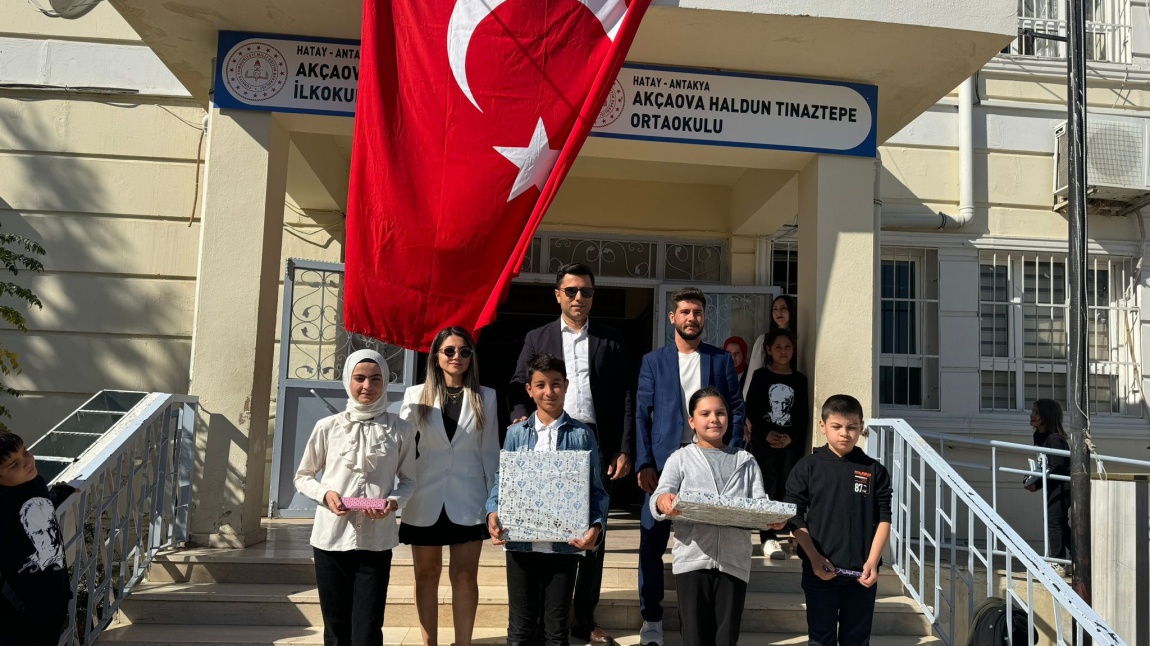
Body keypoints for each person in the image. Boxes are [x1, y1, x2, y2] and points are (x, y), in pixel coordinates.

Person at [507, 263, 634, 645]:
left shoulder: (611, 339)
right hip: (547, 437)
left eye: (587, 292)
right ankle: (544, 616)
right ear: (558, 295)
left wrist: (623, 448)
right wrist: (519, 421)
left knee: (593, 530)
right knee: (546, 528)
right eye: (572, 291)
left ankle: (585, 619)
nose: (580, 298)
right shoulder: (538, 336)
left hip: (592, 439)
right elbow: (518, 383)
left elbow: (626, 395)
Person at [634, 286, 745, 646]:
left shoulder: (720, 360)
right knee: (653, 538)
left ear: (703, 318)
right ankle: (652, 617)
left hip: (710, 460)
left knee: (708, 541)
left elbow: (737, 409)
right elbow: (641, 414)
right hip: (666, 462)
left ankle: (704, 624)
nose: (691, 318)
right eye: (684, 312)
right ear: (672, 318)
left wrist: (732, 452)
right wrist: (645, 461)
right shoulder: (654, 361)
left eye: (697, 312)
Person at [295, 350, 416, 646]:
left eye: (376, 379)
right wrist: (326, 494)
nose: (367, 386)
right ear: (347, 381)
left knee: (368, 628)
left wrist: (393, 502)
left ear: (385, 382)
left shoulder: (400, 428)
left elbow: (410, 480)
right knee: (335, 628)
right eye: (359, 378)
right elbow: (303, 476)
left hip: (376, 540)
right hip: (331, 538)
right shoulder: (328, 427)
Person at [487, 354, 609, 646]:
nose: (548, 391)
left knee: (556, 631)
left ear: (566, 386)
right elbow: (501, 481)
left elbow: (596, 490)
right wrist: (493, 512)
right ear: (529, 389)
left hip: (564, 546)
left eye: (555, 384)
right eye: (540, 385)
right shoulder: (516, 435)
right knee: (520, 628)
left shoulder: (582, 435)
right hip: (520, 544)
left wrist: (596, 526)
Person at [399, 327, 499, 646]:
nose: (457, 357)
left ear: (472, 357)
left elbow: (490, 454)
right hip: (423, 499)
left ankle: (463, 643)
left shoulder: (487, 397)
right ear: (437, 357)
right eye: (450, 351)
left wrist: (496, 504)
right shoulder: (415, 396)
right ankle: (430, 643)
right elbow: (400, 449)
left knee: (465, 576)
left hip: (469, 501)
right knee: (426, 576)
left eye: (464, 351)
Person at [650, 387, 769, 646]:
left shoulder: (745, 461)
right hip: (692, 562)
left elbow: (760, 504)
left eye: (720, 413)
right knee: (694, 638)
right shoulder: (680, 459)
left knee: (726, 638)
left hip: (734, 563)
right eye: (705, 413)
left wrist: (772, 518)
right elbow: (660, 496)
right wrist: (662, 501)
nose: (714, 419)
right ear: (692, 421)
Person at [781, 394, 892, 646]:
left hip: (861, 575)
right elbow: (793, 515)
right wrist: (814, 557)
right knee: (820, 639)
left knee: (857, 640)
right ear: (823, 426)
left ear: (861, 427)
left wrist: (873, 563)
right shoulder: (808, 467)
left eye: (852, 427)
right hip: (819, 571)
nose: (845, 433)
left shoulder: (875, 470)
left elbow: (884, 518)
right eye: (837, 426)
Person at [0, 431, 76, 646]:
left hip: (54, 595)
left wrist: (60, 493)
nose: (27, 461)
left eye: (25, 451)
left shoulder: (34, 482)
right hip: (21, 607)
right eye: (13, 465)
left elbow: (41, 506)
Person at [745, 328, 809, 560]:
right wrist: (765, 434)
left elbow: (803, 415)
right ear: (769, 350)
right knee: (767, 488)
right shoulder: (761, 376)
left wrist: (791, 437)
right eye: (778, 347)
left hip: (790, 445)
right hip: (764, 444)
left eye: (788, 347)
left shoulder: (800, 380)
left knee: (788, 487)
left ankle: (790, 532)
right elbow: (751, 408)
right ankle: (767, 537)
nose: (783, 352)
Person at [1025, 398, 1071, 575]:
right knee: (1059, 522)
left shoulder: (1055, 439)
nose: (1032, 415)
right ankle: (1077, 555)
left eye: (1036, 412)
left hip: (1063, 485)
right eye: (1033, 411)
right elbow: (1044, 465)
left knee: (1054, 522)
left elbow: (1057, 467)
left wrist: (1037, 484)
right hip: (1053, 483)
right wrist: (1033, 480)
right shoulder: (1039, 436)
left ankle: (1058, 561)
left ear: (1046, 416)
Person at [744, 295, 797, 397]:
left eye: (783, 308)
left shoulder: (800, 338)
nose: (778, 312)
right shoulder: (764, 340)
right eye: (775, 309)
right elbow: (754, 370)